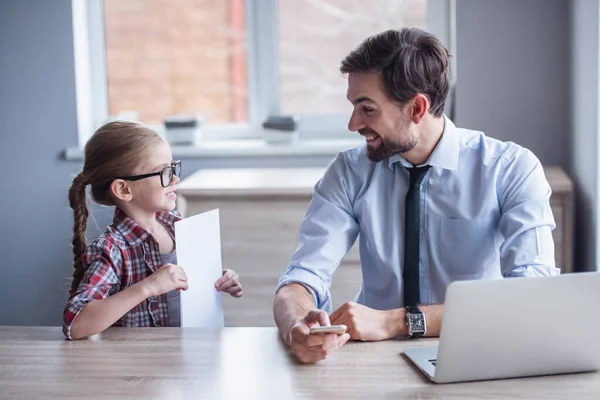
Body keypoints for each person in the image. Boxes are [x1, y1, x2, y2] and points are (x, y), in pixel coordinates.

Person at [273, 27, 559, 364]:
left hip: (478, 353)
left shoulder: (509, 169)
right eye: (353, 107)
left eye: (367, 109)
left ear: (417, 109)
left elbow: (533, 296)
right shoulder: (350, 171)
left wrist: (395, 321)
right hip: (373, 361)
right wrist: (297, 325)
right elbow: (300, 278)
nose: (353, 124)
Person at [63, 121, 243, 340]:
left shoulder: (178, 226)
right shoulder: (112, 249)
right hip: (143, 367)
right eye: (164, 172)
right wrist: (148, 287)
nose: (175, 179)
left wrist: (219, 279)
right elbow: (75, 324)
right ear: (123, 189)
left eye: (173, 167)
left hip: (195, 353)